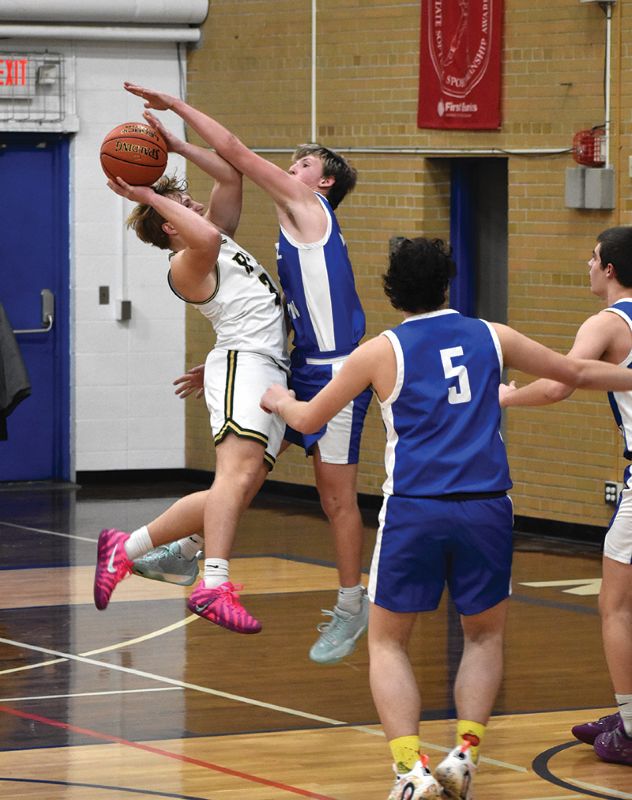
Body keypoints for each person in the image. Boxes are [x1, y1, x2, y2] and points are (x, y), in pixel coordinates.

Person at [260, 236, 632, 799]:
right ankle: (463, 755)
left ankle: (410, 770)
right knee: (482, 640)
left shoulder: (379, 351)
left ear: (392, 291)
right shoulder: (493, 335)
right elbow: (572, 375)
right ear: (447, 283)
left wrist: (277, 400)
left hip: (417, 507)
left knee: (388, 644)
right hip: (488, 506)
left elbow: (311, 416)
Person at [124, 82, 373, 665]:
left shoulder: (308, 207)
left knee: (335, 500)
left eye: (304, 163)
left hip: (335, 367)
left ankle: (350, 604)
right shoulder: (292, 221)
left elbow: (235, 153)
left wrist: (176, 114)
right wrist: (217, 362)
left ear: (324, 181)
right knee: (247, 471)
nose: (291, 166)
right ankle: (187, 547)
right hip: (298, 363)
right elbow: (274, 309)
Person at [93, 125, 290, 635]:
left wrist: (177, 146)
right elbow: (201, 233)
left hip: (264, 364)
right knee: (233, 479)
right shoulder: (187, 262)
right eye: (182, 205)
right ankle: (214, 584)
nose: (197, 205)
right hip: (245, 364)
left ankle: (129, 548)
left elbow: (230, 176)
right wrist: (144, 194)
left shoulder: (210, 239)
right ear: (170, 228)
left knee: (239, 487)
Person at [500, 225, 632, 767]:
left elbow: (560, 382)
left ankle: (631, 725)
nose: (586, 264)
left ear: (609, 269)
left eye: (592, 257)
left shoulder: (606, 322)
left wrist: (507, 395)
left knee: (616, 604)